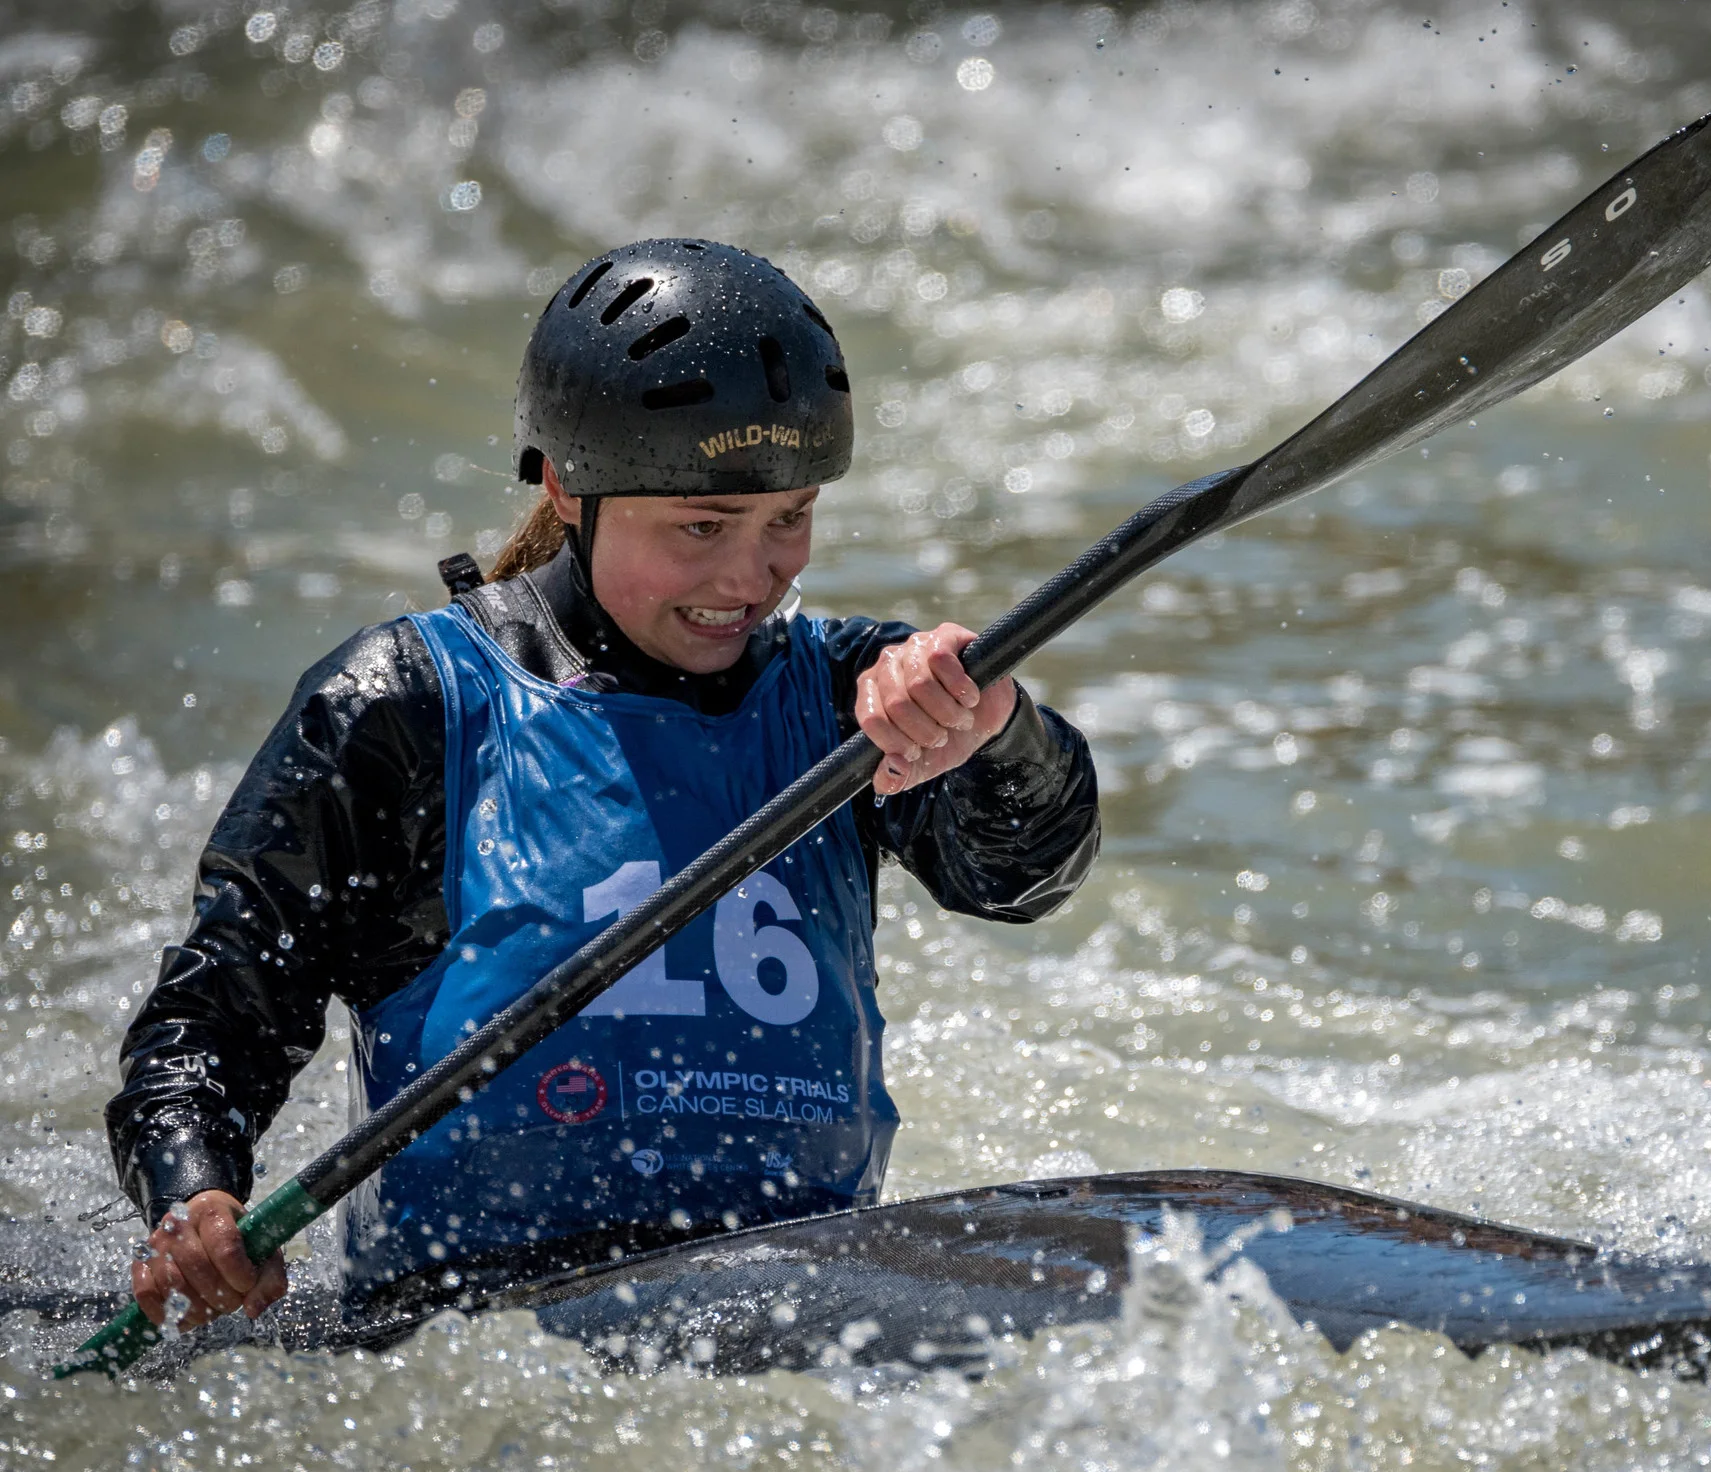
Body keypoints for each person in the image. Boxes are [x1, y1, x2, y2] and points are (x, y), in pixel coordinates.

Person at [104, 240, 1100, 1333]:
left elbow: (1023, 872)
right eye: (701, 527)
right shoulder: (406, 705)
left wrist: (996, 728)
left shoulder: (846, 701)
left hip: (799, 1301)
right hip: (470, 1329)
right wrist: (196, 1197)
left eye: (790, 517)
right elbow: (217, 1010)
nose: (751, 576)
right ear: (567, 487)